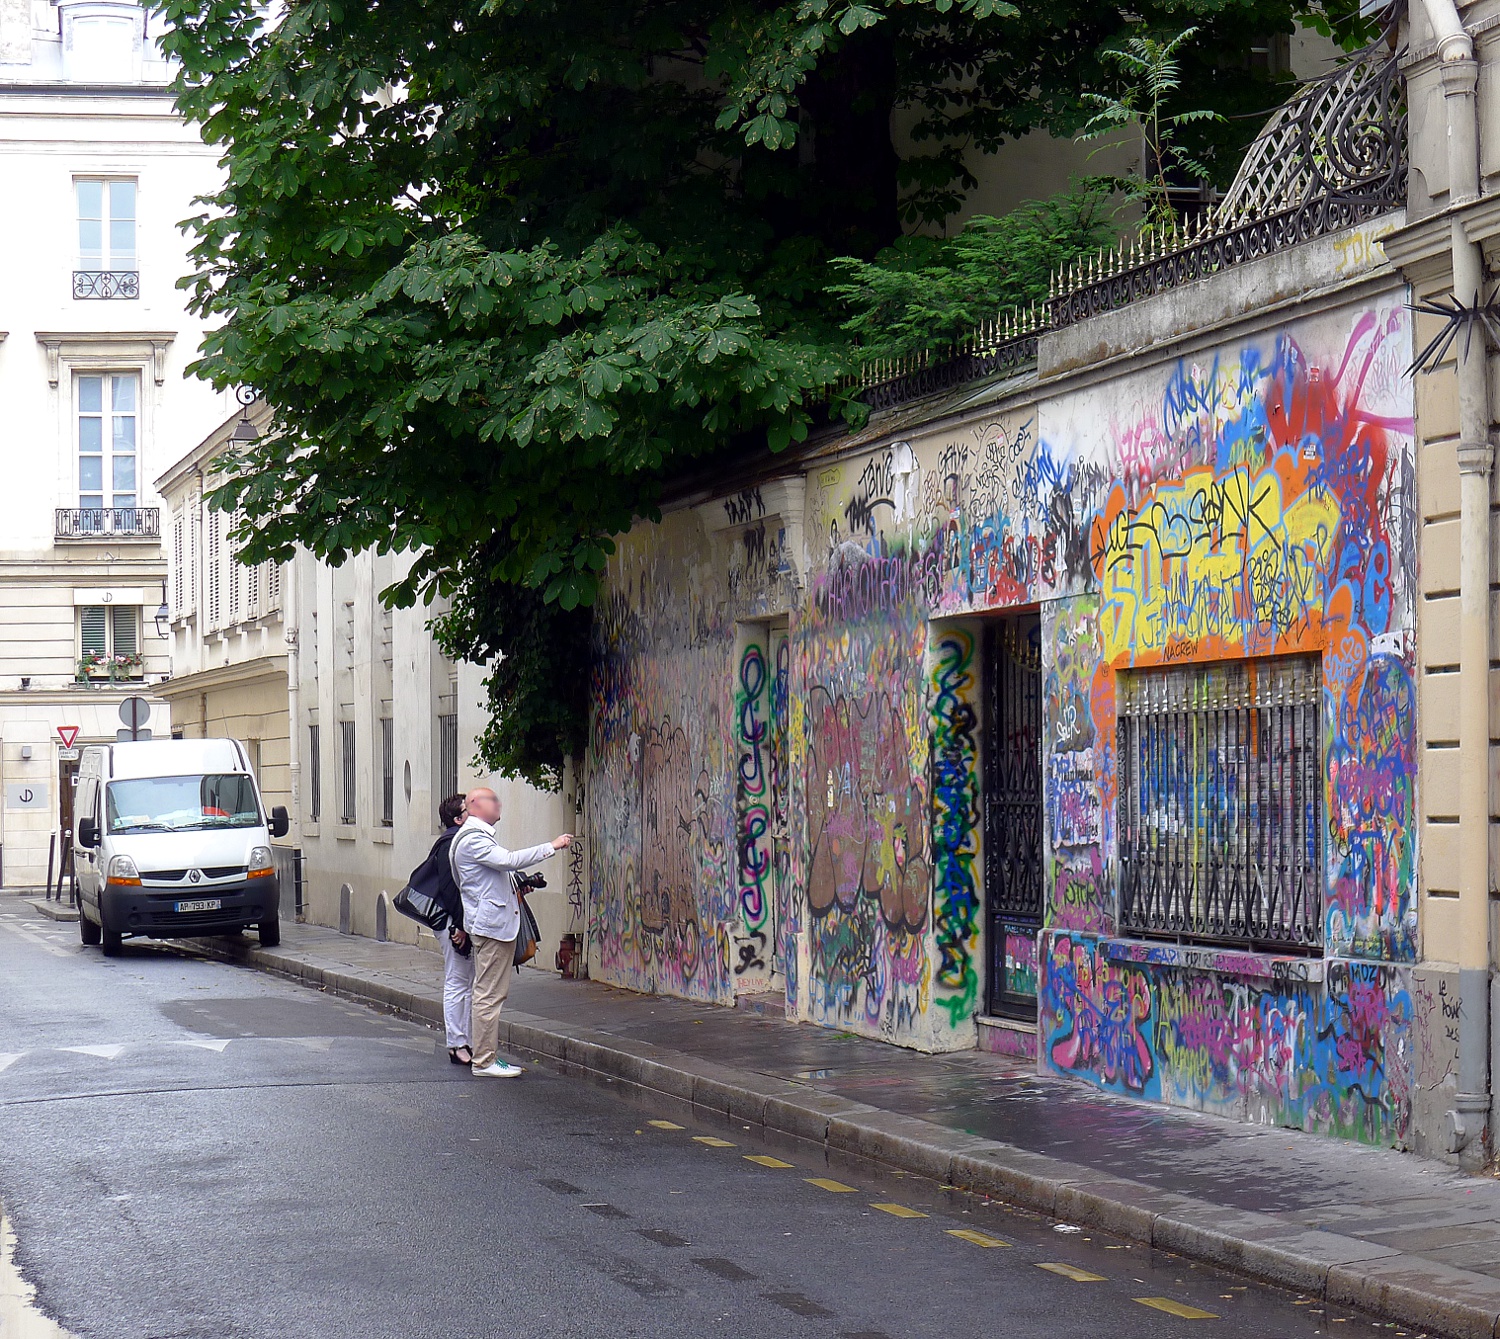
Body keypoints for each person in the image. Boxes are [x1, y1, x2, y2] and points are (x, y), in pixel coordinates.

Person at [449, 786, 571, 1078]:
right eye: (493, 800)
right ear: (475, 804)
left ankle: (486, 1057)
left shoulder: (474, 838)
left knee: (491, 993)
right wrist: (551, 846)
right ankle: (484, 1061)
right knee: (488, 994)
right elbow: (508, 861)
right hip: (491, 928)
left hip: (491, 924)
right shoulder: (472, 840)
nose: (499, 804)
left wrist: (517, 885)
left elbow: (491, 878)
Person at [426, 793, 472, 1065]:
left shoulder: (461, 840)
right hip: (450, 921)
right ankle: (457, 1044)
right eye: (468, 809)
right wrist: (459, 925)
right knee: (457, 979)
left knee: (465, 980)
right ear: (457, 819)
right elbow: (450, 889)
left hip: (457, 921)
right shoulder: (450, 844)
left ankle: (464, 1040)